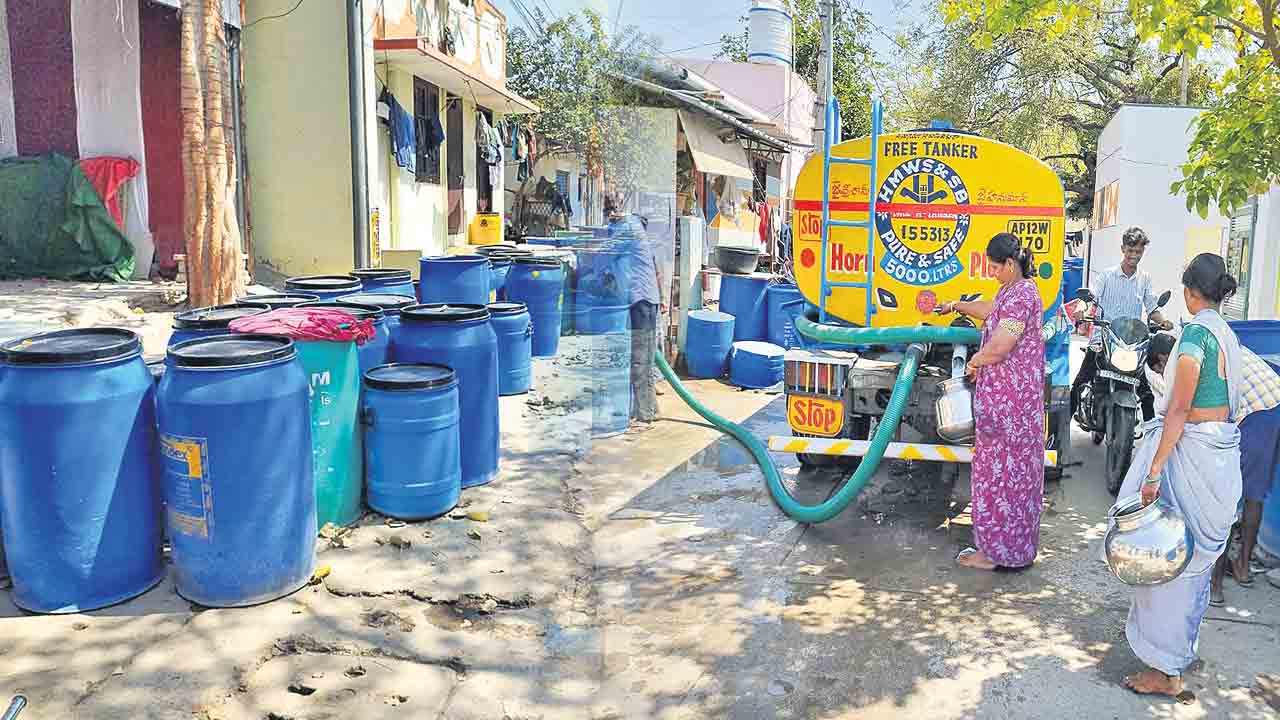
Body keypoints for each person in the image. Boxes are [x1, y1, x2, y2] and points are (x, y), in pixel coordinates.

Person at [1118, 253, 1243, 699]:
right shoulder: (1226, 334)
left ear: (1190, 291)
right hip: (1219, 457)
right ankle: (1172, 660)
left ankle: (1165, 671)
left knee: (1166, 562)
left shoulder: (1194, 339)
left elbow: (1178, 409)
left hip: (1191, 455)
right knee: (1190, 572)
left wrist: (1153, 472)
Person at [936, 233, 1046, 571]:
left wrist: (974, 362)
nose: (993, 274)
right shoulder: (1013, 292)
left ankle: (993, 554)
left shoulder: (1021, 294)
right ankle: (1015, 550)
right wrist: (956, 305)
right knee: (1017, 477)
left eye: (996, 268)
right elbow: (991, 311)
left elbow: (1001, 344)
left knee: (999, 478)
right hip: (1016, 407)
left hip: (1008, 407)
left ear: (1011, 264)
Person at [1071, 227, 1173, 423]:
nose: (1133, 255)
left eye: (1138, 252)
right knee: (1079, 384)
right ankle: (1056, 441)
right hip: (1103, 342)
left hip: (1131, 346)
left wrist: (1163, 321)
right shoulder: (1106, 276)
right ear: (1122, 249)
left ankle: (1150, 443)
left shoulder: (1145, 279)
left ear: (1143, 252)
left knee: (1147, 396)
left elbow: (1152, 308)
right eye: (1130, 250)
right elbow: (1090, 297)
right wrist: (1081, 308)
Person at [605, 191, 665, 430]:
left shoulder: (627, 227)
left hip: (641, 300)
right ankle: (648, 408)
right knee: (645, 357)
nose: (609, 216)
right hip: (646, 299)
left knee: (640, 358)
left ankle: (645, 412)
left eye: (609, 211)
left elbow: (607, 251)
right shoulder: (633, 227)